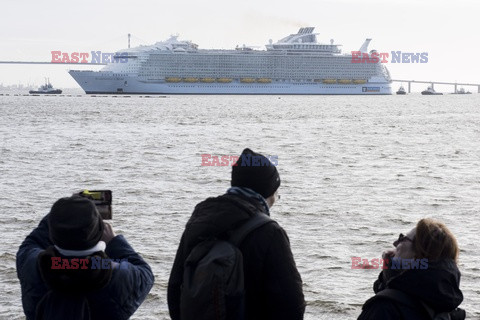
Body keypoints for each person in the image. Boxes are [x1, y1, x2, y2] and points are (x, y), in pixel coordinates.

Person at [168, 148, 305, 320]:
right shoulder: (270, 233)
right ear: (267, 192)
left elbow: (175, 289)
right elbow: (292, 304)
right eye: (276, 193)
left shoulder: (199, 221)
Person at [17, 195, 154, 320]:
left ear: (53, 232)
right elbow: (145, 272)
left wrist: (66, 211)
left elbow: (32, 242)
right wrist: (114, 242)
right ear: (99, 231)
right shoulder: (116, 273)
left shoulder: (33, 264)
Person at [358, 218, 465, 320]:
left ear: (419, 254)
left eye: (403, 238)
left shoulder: (384, 308)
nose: (395, 243)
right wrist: (390, 268)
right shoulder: (446, 308)